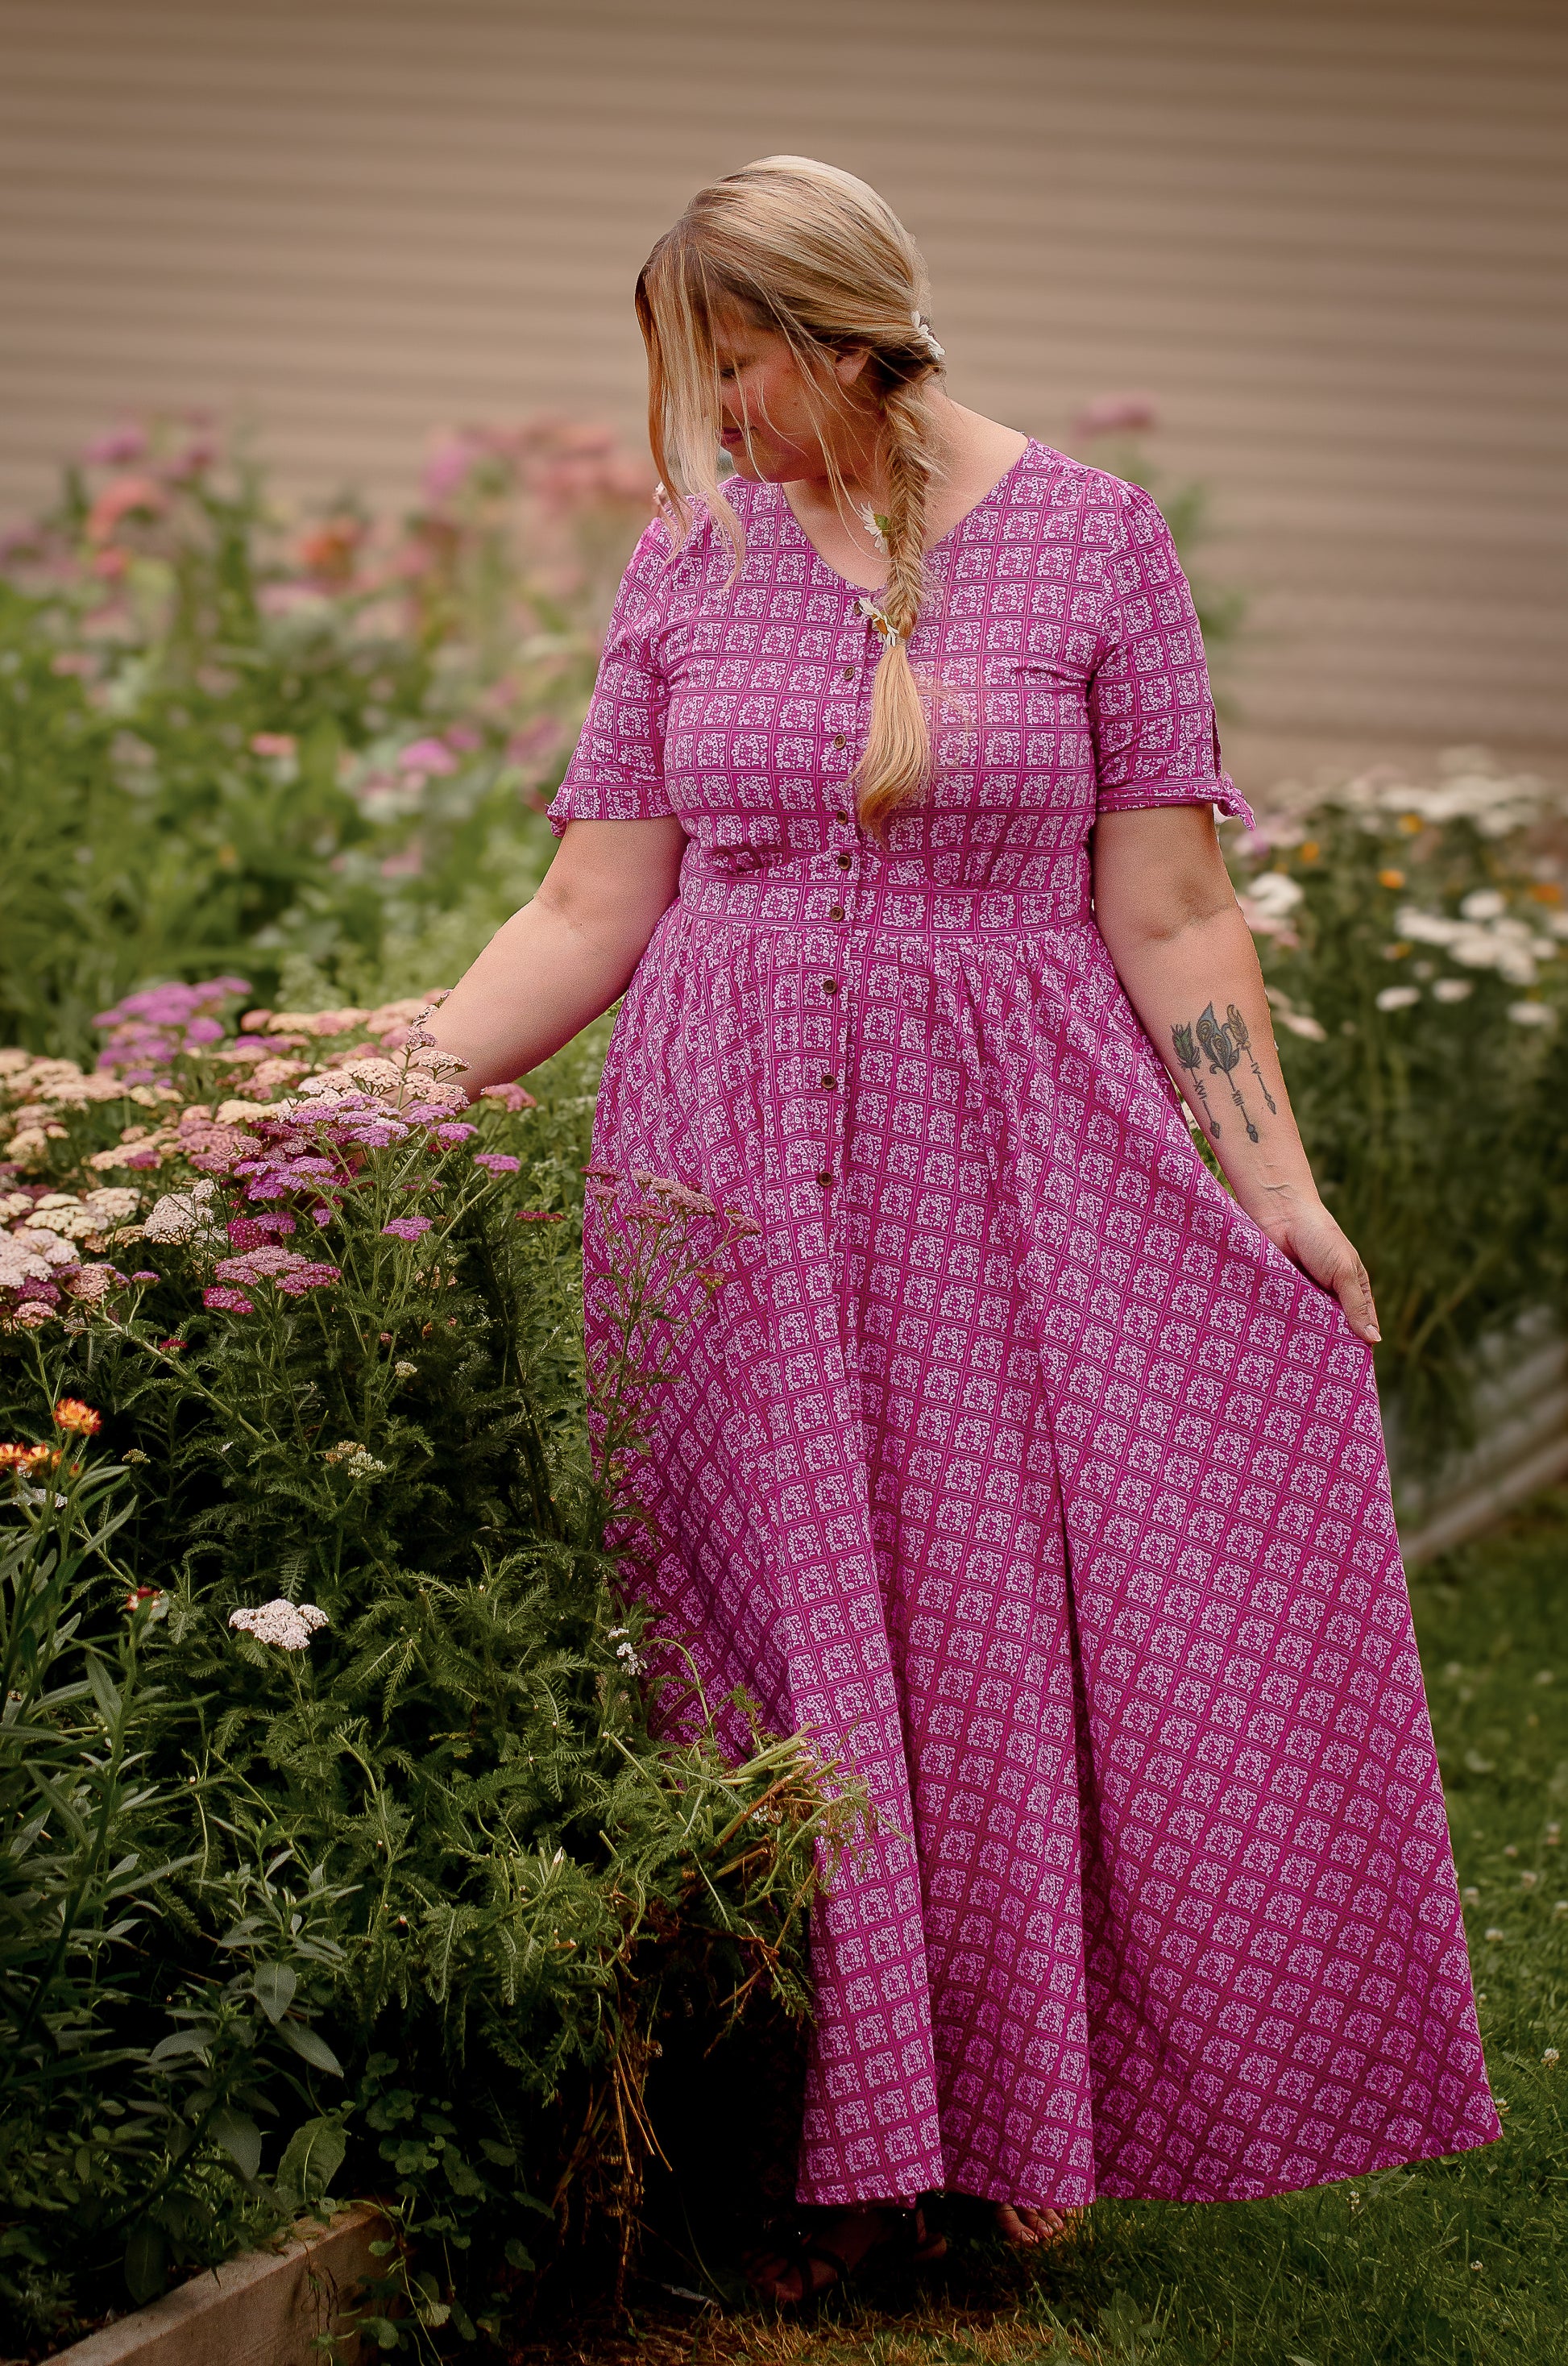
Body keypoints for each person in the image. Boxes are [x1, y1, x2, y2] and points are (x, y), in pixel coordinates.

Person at [427, 156, 1496, 2304]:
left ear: (849, 340)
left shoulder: (1094, 539)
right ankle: (792, 2148)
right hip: (721, 1166)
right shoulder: (692, 556)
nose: (714, 416)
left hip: (1010, 1172)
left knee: (983, 1630)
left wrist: (1277, 1191)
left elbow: (1170, 906)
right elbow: (588, 903)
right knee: (748, 1634)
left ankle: (977, 2143)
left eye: (738, 365)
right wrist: (358, 1099)